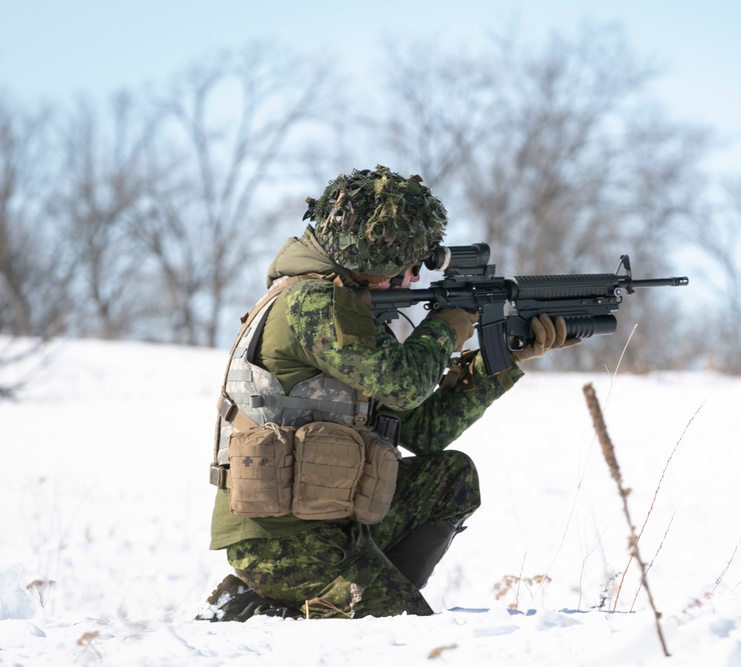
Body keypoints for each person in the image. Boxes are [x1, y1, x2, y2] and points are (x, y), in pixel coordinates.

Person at [199, 166, 580, 621]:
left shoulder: (347, 311)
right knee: (407, 632)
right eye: (405, 266)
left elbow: (422, 430)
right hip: (281, 538)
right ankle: (276, 606)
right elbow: (405, 382)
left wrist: (500, 363)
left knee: (450, 478)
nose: (410, 280)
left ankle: (354, 592)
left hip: (333, 519)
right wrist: (447, 325)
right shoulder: (312, 304)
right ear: (375, 256)